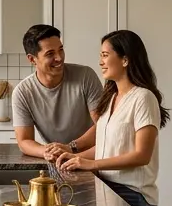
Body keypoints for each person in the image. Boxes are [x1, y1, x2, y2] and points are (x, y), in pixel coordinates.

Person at [57, 30, 169, 206]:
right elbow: (105, 147)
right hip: (108, 190)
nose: (100, 61)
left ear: (125, 60)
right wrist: (75, 157)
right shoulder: (111, 98)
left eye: (105, 55)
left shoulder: (143, 98)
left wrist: (91, 164)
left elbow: (142, 155)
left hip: (133, 194)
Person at [11, 24, 103, 161]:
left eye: (60, 50)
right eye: (50, 54)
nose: (59, 58)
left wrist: (71, 147)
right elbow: (24, 141)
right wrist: (47, 152)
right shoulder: (22, 92)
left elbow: (103, 125)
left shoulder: (85, 76)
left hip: (92, 157)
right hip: (58, 160)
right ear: (32, 59)